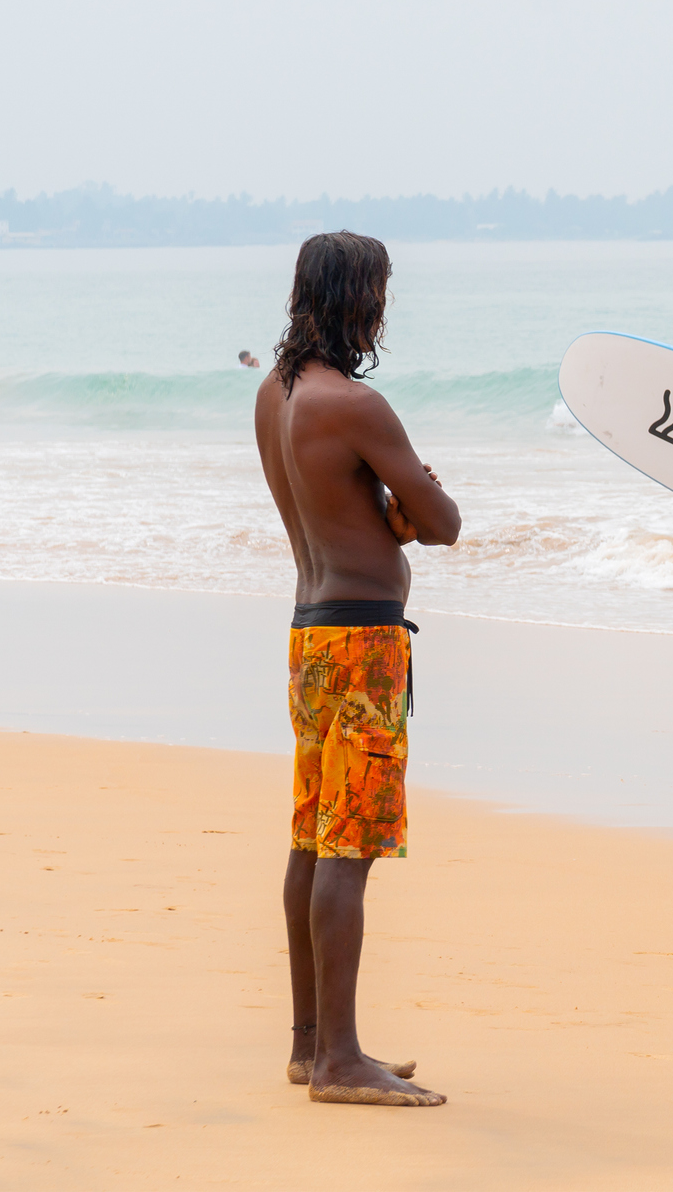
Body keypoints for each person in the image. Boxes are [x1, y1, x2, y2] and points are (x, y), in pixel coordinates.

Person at [254, 231, 461, 1107]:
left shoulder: (277, 394)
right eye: (379, 290)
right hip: (365, 643)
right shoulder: (356, 404)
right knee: (351, 845)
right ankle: (341, 1062)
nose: (384, 306)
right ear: (357, 299)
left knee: (312, 834)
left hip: (309, 634)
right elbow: (441, 521)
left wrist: (391, 511)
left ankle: (311, 1045)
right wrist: (416, 506)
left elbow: (349, 507)